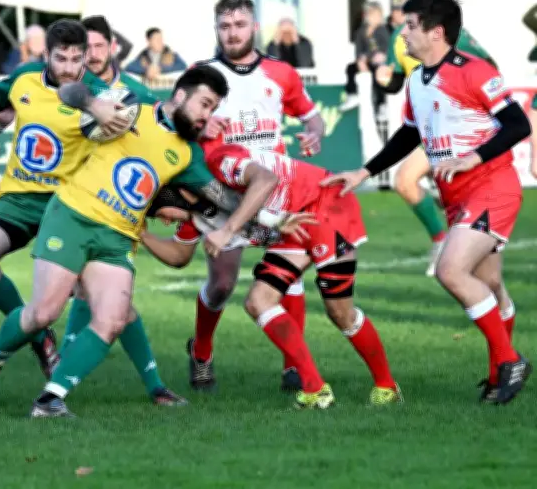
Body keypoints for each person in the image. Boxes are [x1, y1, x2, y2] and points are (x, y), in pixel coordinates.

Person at [0, 65, 277, 417]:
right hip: (73, 217)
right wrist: (94, 104)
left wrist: (275, 217)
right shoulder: (130, 106)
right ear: (180, 95)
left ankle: (50, 400)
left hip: (118, 235)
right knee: (43, 313)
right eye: (204, 104)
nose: (206, 116)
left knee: (112, 319)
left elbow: (223, 199)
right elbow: (69, 92)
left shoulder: (187, 154)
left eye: (213, 109)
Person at [327, 0, 532, 404]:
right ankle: (498, 373)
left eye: (410, 25)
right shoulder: (418, 79)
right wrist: (365, 171)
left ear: (436, 32)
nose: (401, 32)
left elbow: (517, 123)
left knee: (451, 271)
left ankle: (510, 361)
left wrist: (472, 155)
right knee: (489, 282)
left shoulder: (474, 72)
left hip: (492, 185)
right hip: (456, 192)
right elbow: (409, 134)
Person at [0, 19, 132, 394]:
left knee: (91, 292)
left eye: (76, 58)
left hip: (66, 205)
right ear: (44, 55)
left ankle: (140, 380)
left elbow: (125, 132)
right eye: (60, 58)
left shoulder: (98, 94)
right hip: (18, 197)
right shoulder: (24, 78)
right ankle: (40, 338)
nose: (68, 67)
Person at [141, 130, 402, 408]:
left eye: (160, 215)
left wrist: (229, 231)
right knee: (258, 301)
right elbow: (179, 256)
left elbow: (266, 179)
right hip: (295, 224)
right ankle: (315, 389)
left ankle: (386, 386)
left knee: (340, 312)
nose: (166, 223)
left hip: (325, 203)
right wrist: (142, 235)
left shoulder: (220, 161)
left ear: (172, 194)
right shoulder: (196, 212)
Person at [179, 0, 326, 394]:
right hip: (221, 194)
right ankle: (202, 352)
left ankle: (293, 367)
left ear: (254, 27)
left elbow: (313, 118)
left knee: (289, 279)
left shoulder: (281, 72)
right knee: (222, 285)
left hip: (275, 192)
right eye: (224, 26)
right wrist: (195, 125)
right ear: (216, 30)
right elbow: (174, 122)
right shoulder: (200, 73)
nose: (232, 33)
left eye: (239, 24)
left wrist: (314, 133)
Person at [47, 14, 187, 405]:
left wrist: (161, 203)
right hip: (77, 201)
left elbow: (158, 151)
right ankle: (150, 385)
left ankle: (62, 375)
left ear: (112, 48)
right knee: (100, 298)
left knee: (108, 300)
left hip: (121, 211)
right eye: (84, 47)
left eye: (97, 46)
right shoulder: (75, 87)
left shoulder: (137, 94)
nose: (90, 54)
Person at [375, 0, 496, 277]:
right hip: (424, 125)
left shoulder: (458, 37)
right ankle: (445, 241)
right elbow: (396, 82)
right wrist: (385, 79)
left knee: (409, 180)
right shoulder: (399, 38)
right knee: (407, 182)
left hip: (453, 124)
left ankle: (454, 246)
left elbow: (489, 67)